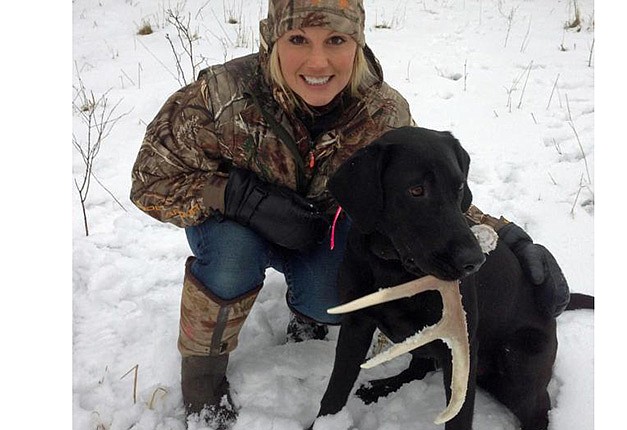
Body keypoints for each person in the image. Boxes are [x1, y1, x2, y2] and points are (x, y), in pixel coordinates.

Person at [130, 0, 570, 427]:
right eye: (299, 38)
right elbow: (149, 182)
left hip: (316, 234)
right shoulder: (218, 97)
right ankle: (203, 373)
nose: (318, 61)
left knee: (336, 293)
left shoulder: (380, 111)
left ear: (357, 44)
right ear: (271, 39)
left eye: (336, 39)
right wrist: (238, 197)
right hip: (235, 228)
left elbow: (423, 193)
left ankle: (306, 312)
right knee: (231, 256)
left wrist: (507, 235)